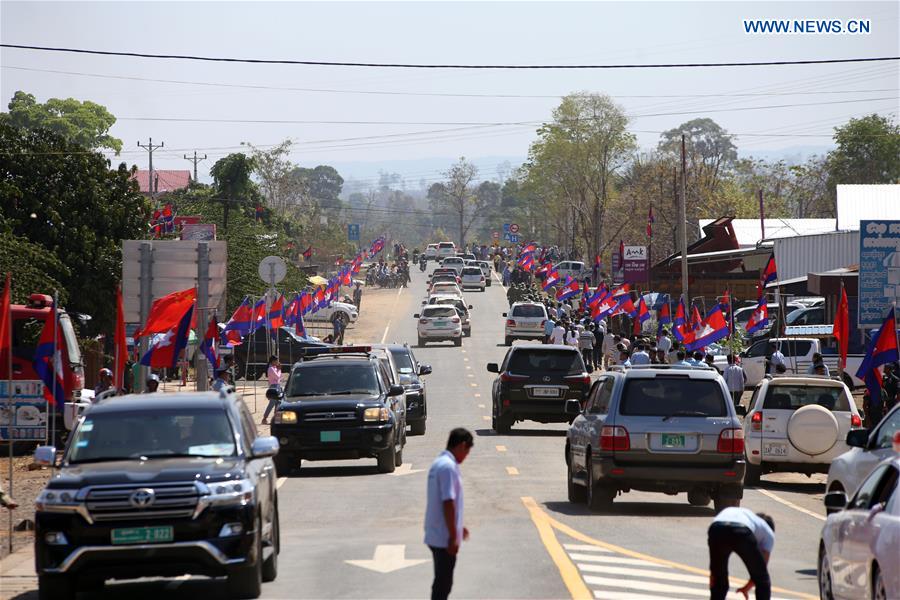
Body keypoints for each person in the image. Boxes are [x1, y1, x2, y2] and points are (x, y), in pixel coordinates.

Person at [425, 428, 473, 600]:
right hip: (443, 537)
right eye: (467, 451)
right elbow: (448, 502)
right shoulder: (448, 467)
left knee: (442, 582)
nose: (466, 456)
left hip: (437, 532)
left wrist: (460, 527)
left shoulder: (440, 462)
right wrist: (453, 536)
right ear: (462, 445)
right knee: (443, 585)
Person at [708, 507, 775, 600]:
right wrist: (747, 588)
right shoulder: (769, 533)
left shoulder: (748, 517)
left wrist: (714, 576)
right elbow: (761, 570)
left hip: (716, 529)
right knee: (763, 580)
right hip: (741, 530)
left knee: (719, 580)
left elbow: (713, 575)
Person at [261, 356, 283, 425]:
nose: (278, 362)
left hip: (277, 386)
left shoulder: (274, 368)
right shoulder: (271, 369)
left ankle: (277, 419)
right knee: (272, 403)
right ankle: (264, 418)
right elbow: (278, 377)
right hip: (273, 387)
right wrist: (279, 370)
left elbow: (279, 378)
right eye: (276, 361)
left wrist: (278, 369)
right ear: (273, 361)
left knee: (278, 403)